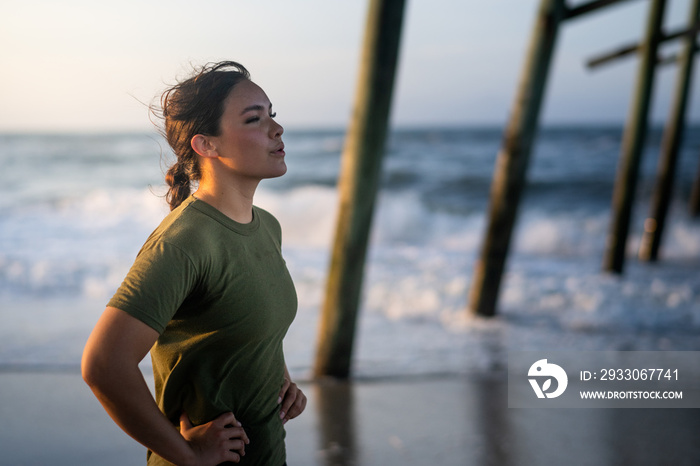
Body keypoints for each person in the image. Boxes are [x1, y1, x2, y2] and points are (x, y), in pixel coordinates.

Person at [82, 61, 306, 466]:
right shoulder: (184, 243)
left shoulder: (267, 227)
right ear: (207, 145)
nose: (277, 129)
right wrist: (185, 453)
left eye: (272, 114)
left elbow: (241, 320)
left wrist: (281, 378)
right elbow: (103, 364)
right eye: (255, 119)